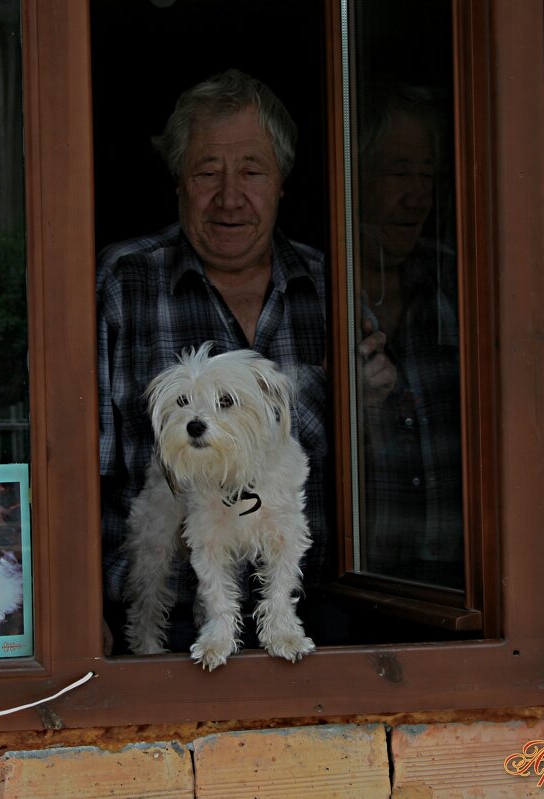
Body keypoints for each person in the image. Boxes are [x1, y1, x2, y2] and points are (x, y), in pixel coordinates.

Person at [97, 69, 377, 652]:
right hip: (167, 630)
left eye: (251, 171)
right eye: (207, 172)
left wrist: (372, 403)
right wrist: (74, 619)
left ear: (282, 182)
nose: (229, 197)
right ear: (179, 181)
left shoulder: (332, 287)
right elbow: (72, 468)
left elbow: (379, 465)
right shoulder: (124, 283)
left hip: (318, 620)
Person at [355, 82, 464, 588]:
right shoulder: (313, 288)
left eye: (428, 176)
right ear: (356, 176)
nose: (419, 196)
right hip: (353, 585)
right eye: (399, 173)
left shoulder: (458, 280)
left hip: (458, 578)